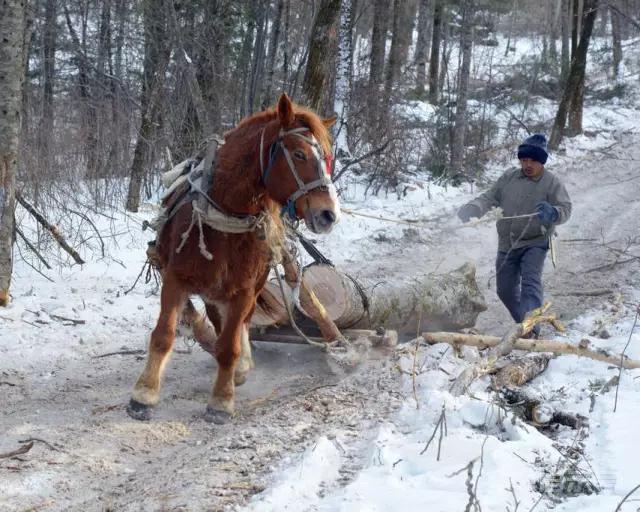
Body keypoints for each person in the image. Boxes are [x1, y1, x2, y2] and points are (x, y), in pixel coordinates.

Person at [457, 134, 572, 335]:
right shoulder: (509, 178)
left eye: (533, 161)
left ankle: (531, 330)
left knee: (530, 284)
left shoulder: (551, 183)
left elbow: (566, 208)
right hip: (507, 243)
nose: (527, 164)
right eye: (524, 160)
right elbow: (489, 197)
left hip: (535, 242)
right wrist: (474, 208)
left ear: (542, 161)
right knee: (505, 290)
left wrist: (553, 213)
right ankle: (525, 323)